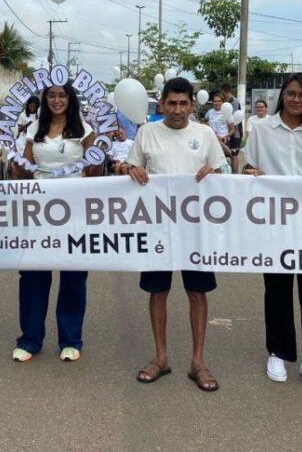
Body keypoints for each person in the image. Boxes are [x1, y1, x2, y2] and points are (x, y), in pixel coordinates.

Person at [120, 77, 226, 392]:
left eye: (184, 104)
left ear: (193, 105)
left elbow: (223, 174)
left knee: (197, 292)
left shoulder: (205, 134)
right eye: (172, 103)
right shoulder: (146, 133)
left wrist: (214, 172)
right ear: (162, 104)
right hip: (156, 228)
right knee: (158, 292)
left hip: (196, 229)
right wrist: (130, 170)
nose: (178, 110)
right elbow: (128, 169)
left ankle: (198, 362)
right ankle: (161, 358)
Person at [243, 72, 302, 386]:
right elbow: (247, 167)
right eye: (291, 93)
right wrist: (249, 171)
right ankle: (278, 351)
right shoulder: (261, 129)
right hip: (274, 224)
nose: (296, 99)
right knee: (277, 290)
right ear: (282, 95)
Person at [12, 82, 99, 362]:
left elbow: (95, 171)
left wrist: (99, 156)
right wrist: (15, 164)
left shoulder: (84, 130)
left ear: (70, 98)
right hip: (38, 212)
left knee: (73, 275)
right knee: (33, 274)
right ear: (44, 98)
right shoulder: (33, 129)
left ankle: (70, 339)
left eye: (62, 95)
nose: (57, 100)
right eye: (51, 95)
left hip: (75, 211)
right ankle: (30, 339)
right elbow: (23, 172)